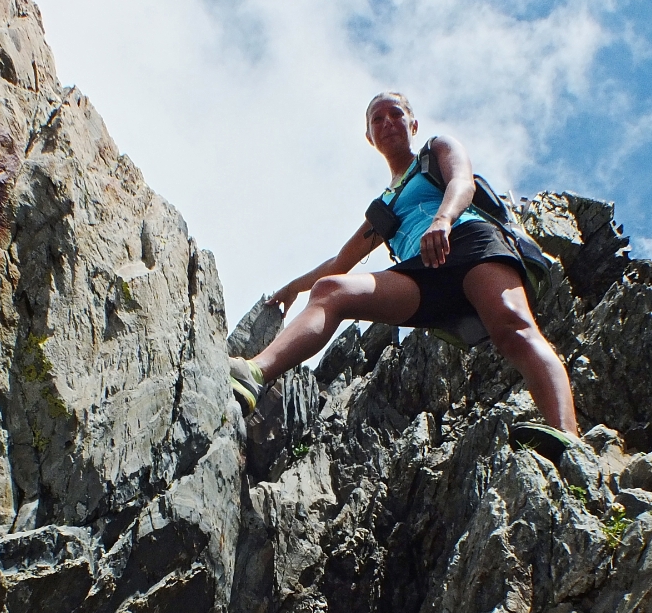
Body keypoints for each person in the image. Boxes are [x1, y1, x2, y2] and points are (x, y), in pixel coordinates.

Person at [229, 92, 578, 457]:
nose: (387, 123)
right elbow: (339, 263)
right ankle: (255, 375)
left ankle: (566, 435)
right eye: (377, 119)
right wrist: (293, 287)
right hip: (422, 272)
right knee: (331, 289)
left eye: (396, 114)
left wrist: (443, 219)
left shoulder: (436, 149)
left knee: (513, 328)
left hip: (468, 241)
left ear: (413, 124)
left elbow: (463, 182)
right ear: (369, 137)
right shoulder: (383, 209)